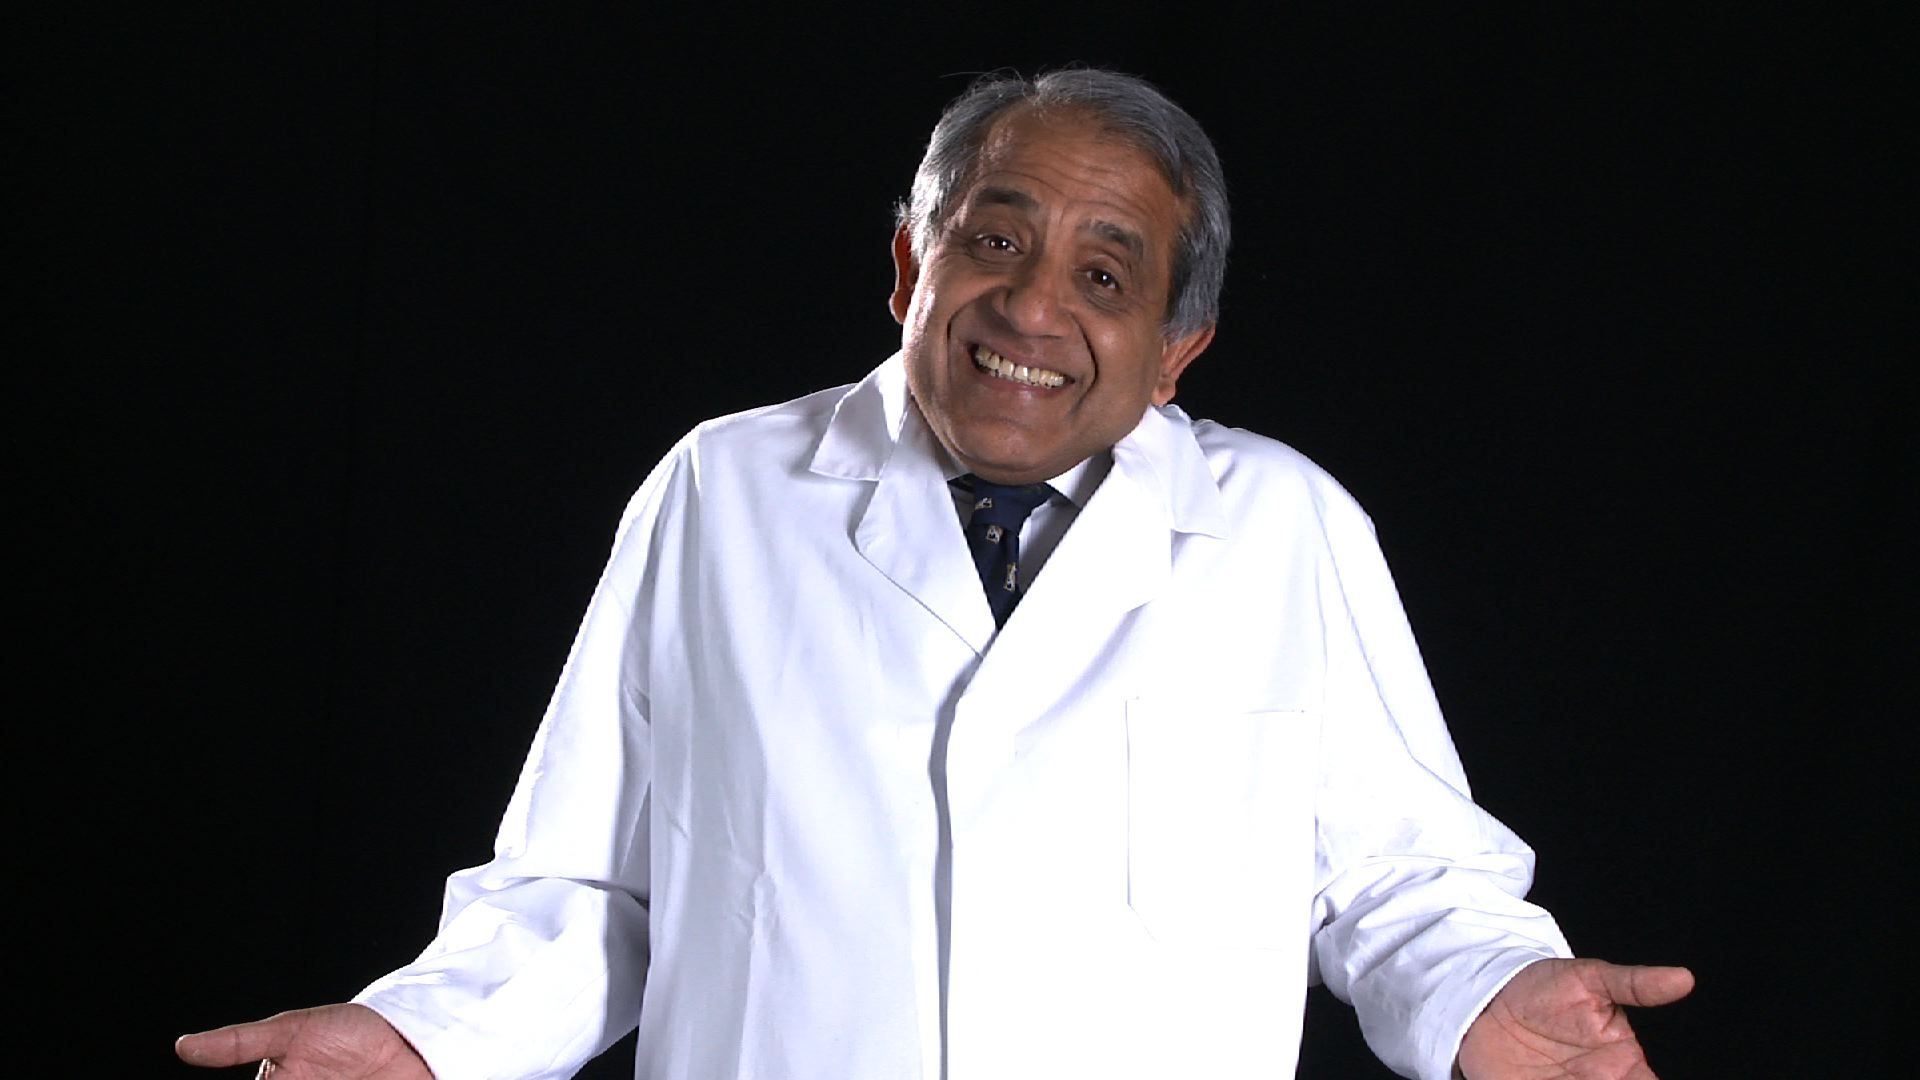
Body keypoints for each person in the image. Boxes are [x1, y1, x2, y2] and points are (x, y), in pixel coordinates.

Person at [178, 68, 1691, 1080]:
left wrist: (1488, 991)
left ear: (1178, 349)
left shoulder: (1285, 530)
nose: (1031, 309)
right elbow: (594, 885)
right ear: (911, 264)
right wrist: (429, 1038)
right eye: (995, 241)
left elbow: (1396, 879)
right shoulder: (723, 493)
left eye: (1105, 275)